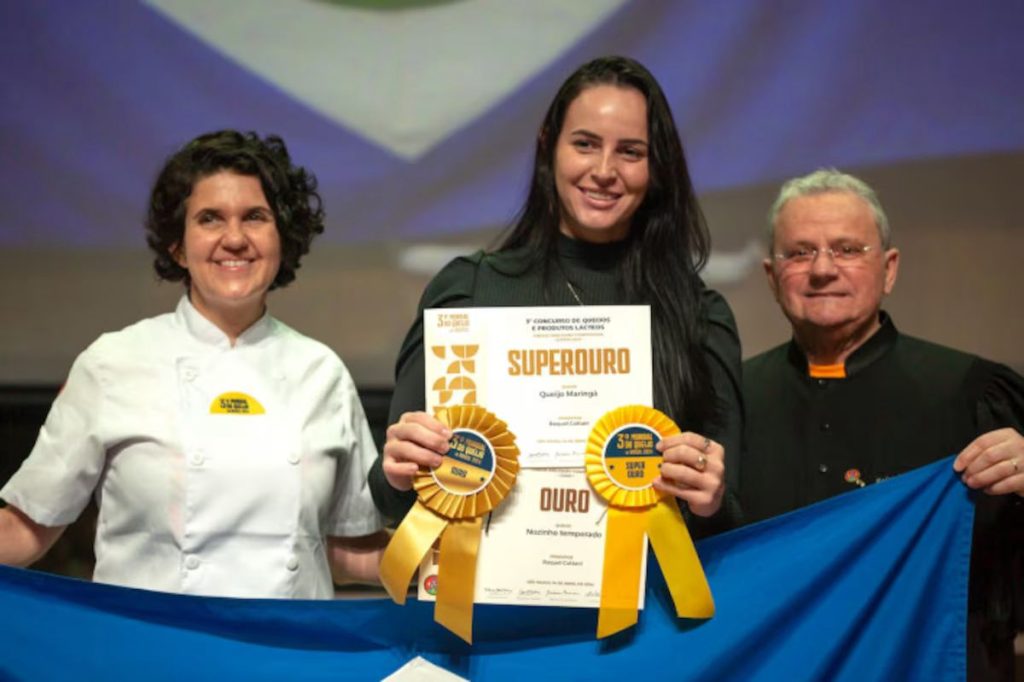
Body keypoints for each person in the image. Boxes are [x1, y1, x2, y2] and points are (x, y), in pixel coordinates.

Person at [0, 130, 387, 598]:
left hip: (283, 640)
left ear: (282, 238)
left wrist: (454, 564)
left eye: (255, 217)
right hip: (152, 638)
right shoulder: (110, 364)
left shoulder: (322, 372)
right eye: (209, 219)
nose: (235, 238)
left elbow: (347, 550)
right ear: (178, 246)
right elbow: (25, 529)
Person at [369, 56, 743, 533]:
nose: (604, 170)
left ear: (657, 168)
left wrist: (711, 500)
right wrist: (397, 472)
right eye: (585, 144)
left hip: (645, 584)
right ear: (548, 145)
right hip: (494, 582)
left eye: (630, 152)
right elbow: (391, 499)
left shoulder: (700, 317)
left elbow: (730, 516)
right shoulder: (467, 293)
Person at [741, 168, 1023, 679]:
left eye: (847, 249)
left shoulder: (974, 394)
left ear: (889, 269)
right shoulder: (731, 400)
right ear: (770, 275)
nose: (822, 269)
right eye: (799, 253)